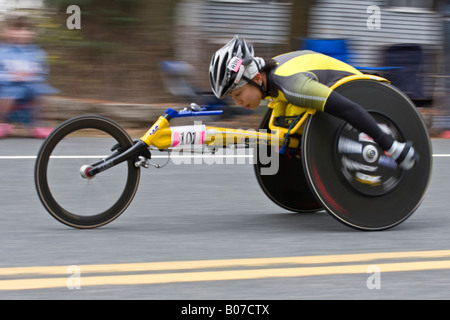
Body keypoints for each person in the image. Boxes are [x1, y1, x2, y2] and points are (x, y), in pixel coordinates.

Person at [209, 35, 417, 170]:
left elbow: (348, 108)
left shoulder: (292, 86)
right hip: (330, 96)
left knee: (297, 105)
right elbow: (278, 116)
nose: (237, 102)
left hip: (364, 99)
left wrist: (391, 146)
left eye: (238, 94)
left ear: (256, 79)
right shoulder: (271, 83)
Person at [0, 15, 57, 138]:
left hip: (29, 89)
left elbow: (42, 74)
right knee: (9, 92)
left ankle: (39, 125)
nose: (21, 34)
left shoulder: (38, 53)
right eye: (16, 30)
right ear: (7, 32)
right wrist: (11, 76)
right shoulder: (2, 52)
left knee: (42, 90)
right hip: (6, 87)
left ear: (32, 33)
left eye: (25, 30)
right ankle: (2, 122)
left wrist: (29, 76)